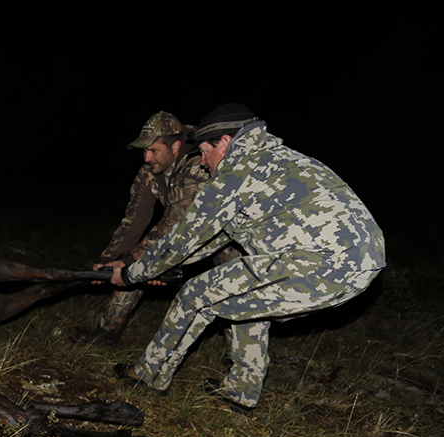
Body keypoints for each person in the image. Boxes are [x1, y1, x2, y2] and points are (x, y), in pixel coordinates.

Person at [109, 103, 385, 414]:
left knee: (198, 293)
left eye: (203, 151)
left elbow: (182, 240)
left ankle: (148, 376)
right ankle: (239, 392)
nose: (202, 162)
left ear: (224, 143)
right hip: (364, 260)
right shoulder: (276, 159)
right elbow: (210, 241)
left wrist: (132, 274)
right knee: (246, 302)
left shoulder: (235, 172)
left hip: (322, 259)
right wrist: (163, 267)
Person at [85, 111, 238, 346]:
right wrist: (110, 260)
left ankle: (234, 360)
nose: (146, 157)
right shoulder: (149, 172)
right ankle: (106, 333)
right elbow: (133, 221)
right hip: (180, 236)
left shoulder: (198, 166)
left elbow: (176, 223)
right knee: (131, 261)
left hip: (222, 237)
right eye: (144, 151)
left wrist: (134, 261)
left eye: (153, 150)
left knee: (231, 281)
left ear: (175, 146)